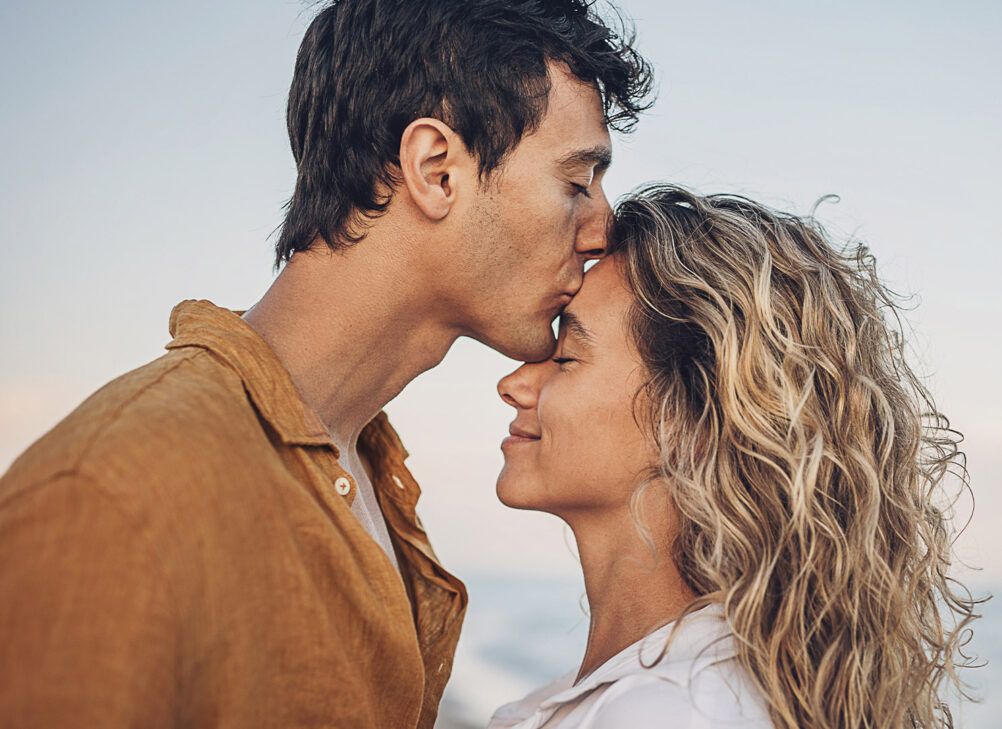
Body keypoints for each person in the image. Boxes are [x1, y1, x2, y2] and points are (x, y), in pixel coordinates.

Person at [0, 2, 651, 727]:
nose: (601, 228)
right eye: (576, 181)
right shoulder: (115, 495)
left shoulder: (375, 483)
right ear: (436, 170)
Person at [490, 184, 985, 729]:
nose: (513, 383)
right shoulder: (648, 693)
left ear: (693, 418)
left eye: (565, 357)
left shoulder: (673, 711)